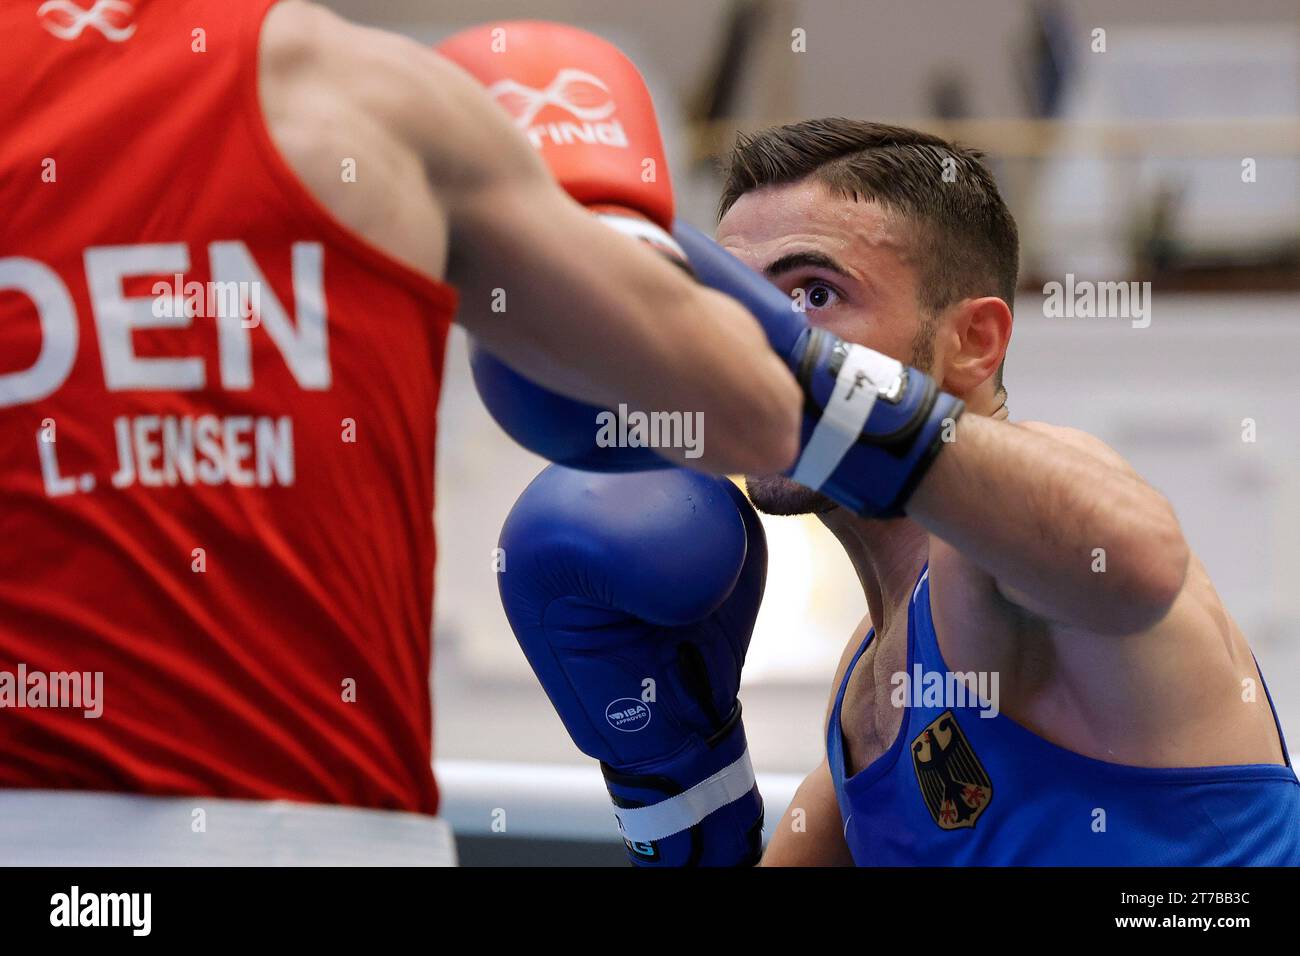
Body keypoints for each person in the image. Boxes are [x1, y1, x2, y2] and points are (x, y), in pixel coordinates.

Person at [0, 0, 804, 865]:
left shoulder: (353, 96)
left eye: (815, 292)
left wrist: (688, 798)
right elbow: (760, 416)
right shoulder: (357, 93)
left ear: (975, 337)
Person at [498, 118, 1300, 865]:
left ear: (974, 343)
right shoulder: (867, 687)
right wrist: (677, 786)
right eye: (728, 301)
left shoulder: (1005, 554)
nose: (742, 336)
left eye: (812, 293)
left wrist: (804, 389)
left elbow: (1140, 556)